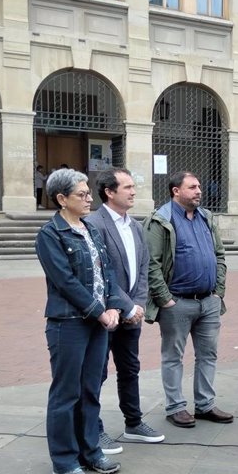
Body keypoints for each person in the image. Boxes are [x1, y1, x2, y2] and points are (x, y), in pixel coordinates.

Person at [35, 168, 131, 474]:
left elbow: (109, 275)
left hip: (98, 323)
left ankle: (90, 451)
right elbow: (65, 282)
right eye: (82, 194)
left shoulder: (91, 230)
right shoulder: (51, 235)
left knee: (90, 389)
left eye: (89, 192)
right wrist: (99, 312)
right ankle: (63, 460)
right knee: (66, 392)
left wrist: (115, 304)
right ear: (62, 199)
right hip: (69, 324)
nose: (90, 198)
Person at [143, 171, 233, 428]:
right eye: (192, 187)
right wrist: (165, 299)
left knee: (208, 355)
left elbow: (220, 255)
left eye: (199, 186)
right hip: (178, 303)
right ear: (176, 191)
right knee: (173, 356)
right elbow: (152, 264)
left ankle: (205, 405)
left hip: (208, 301)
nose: (198, 191)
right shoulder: (161, 220)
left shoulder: (206, 217)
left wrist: (218, 292)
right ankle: (175, 407)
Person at [85, 169, 164, 455]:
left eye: (133, 186)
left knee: (130, 369)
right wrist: (126, 306)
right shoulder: (94, 223)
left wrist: (138, 304)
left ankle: (134, 422)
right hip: (106, 315)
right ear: (109, 191)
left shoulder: (135, 225)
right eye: (127, 187)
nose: (133, 191)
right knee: (97, 373)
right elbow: (101, 275)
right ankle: (94, 429)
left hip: (132, 314)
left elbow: (143, 268)